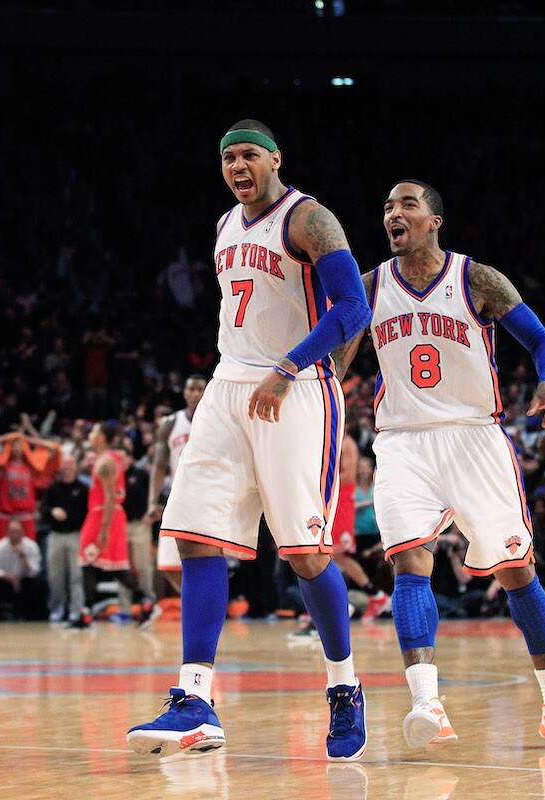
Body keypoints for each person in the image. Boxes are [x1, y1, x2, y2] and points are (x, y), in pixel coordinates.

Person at [128, 120, 372, 761]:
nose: (238, 166)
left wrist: (290, 367)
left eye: (250, 156)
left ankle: (344, 688)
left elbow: (353, 309)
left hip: (294, 388)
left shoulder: (309, 219)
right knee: (192, 534)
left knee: (305, 555)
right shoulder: (222, 225)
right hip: (228, 382)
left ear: (276, 160)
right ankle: (195, 699)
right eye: (229, 157)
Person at [332, 179, 545, 751]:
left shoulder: (476, 279)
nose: (393, 214)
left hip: (475, 436)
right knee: (408, 563)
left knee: (517, 572)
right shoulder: (371, 287)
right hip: (402, 440)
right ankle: (427, 703)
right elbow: (336, 361)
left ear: (433, 221)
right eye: (386, 207)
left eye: (406, 205)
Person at [79, 421, 152, 624]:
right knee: (112, 567)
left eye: (94, 431)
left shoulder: (105, 463)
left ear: (102, 437)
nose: (91, 434)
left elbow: (111, 497)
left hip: (104, 515)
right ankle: (145, 603)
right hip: (107, 515)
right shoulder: (112, 458)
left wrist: (103, 531)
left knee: (88, 562)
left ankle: (86, 614)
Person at [146, 374, 209, 592]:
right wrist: (152, 501)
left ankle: (206, 608)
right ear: (184, 392)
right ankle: (192, 603)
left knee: (206, 559)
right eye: (190, 389)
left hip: (208, 496)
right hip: (178, 496)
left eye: (199, 389)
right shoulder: (170, 423)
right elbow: (159, 466)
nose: (194, 394)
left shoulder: (215, 419)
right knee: (168, 563)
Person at [331, 427, 391, 618]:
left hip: (343, 499)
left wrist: (322, 481)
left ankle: (342, 602)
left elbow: (348, 476)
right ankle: (373, 595)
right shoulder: (333, 441)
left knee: (336, 553)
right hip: (333, 499)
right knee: (333, 555)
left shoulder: (346, 443)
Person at [43, 451, 89, 624]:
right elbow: (44, 510)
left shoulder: (83, 489)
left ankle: (76, 611)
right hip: (56, 536)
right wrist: (52, 511)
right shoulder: (53, 488)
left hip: (76, 536)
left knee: (76, 576)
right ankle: (57, 609)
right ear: (61, 467)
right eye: (65, 464)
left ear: (76, 467)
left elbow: (88, 513)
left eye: (71, 464)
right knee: (55, 576)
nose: (68, 468)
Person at [0, 519, 44, 619]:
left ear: (23, 532)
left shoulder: (31, 546)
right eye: (12, 532)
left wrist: (22, 556)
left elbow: (35, 571)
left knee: (39, 584)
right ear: (7, 533)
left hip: (24, 581)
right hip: (5, 582)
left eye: (18, 531)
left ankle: (34, 618)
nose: (15, 535)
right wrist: (8, 577)